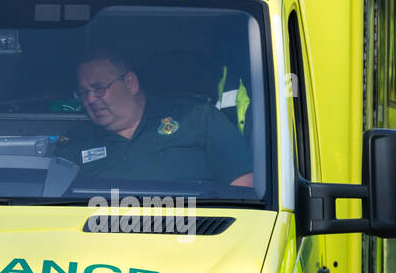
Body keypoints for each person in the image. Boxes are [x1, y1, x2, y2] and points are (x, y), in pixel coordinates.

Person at [59, 48, 254, 187]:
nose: (90, 99)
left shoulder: (197, 117)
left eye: (99, 89)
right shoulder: (76, 143)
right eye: (83, 92)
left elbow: (243, 185)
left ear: (130, 83)